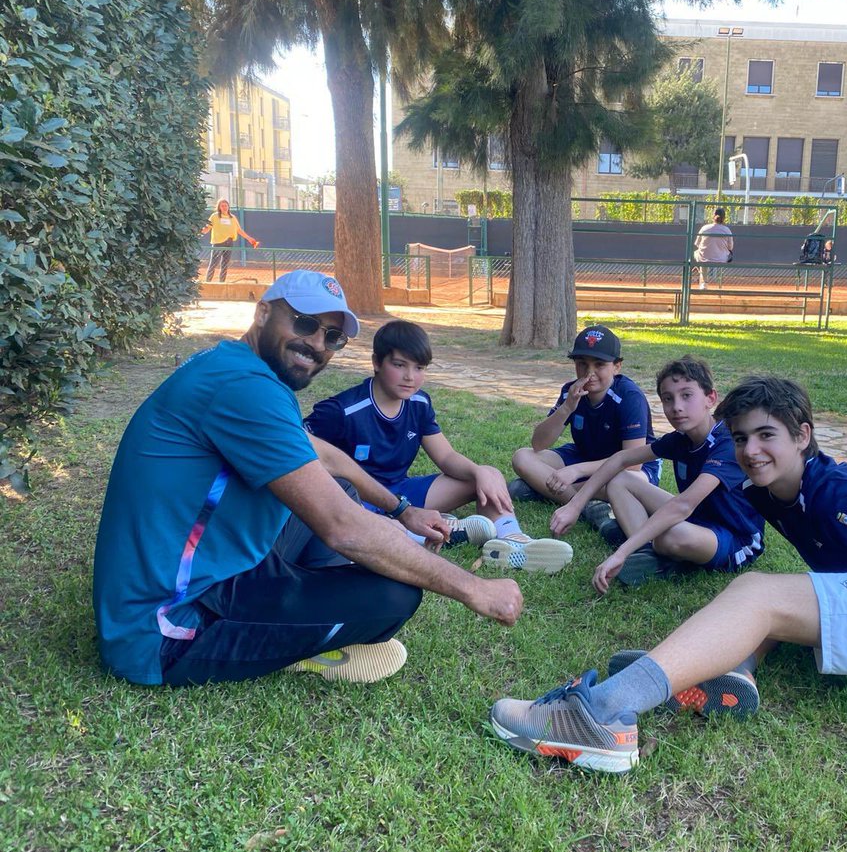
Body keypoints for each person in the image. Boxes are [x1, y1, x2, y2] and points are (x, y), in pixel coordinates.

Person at [489, 375, 847, 775]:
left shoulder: (836, 490)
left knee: (759, 594)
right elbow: (668, 494)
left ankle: (601, 714)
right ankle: (731, 671)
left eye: (767, 435)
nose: (750, 450)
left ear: (803, 436)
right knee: (770, 608)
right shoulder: (769, 489)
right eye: (740, 438)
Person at [93, 269, 522, 688]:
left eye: (331, 337)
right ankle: (296, 642)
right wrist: (474, 588)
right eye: (304, 323)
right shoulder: (248, 390)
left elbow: (323, 455)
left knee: (342, 490)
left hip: (211, 566)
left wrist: (401, 509)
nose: (316, 344)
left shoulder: (235, 368)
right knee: (393, 597)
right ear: (263, 313)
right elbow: (344, 528)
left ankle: (301, 608)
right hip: (165, 629)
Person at [304, 319, 573, 573]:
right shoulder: (340, 411)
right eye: (400, 365)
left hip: (401, 492)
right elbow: (299, 456)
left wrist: (480, 473)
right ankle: (426, 533)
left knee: (485, 476)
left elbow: (445, 457)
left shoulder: (419, 403)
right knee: (360, 525)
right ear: (376, 362)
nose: (410, 376)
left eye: (419, 368)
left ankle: (514, 541)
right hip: (357, 500)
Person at [549, 356, 764, 591]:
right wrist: (575, 505)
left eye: (687, 395)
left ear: (710, 398)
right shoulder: (682, 439)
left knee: (671, 536)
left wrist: (621, 553)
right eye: (668, 399)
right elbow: (620, 459)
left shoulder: (726, 444)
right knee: (621, 480)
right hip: (697, 521)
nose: (677, 407)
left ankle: (654, 550)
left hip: (735, 539)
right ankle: (647, 550)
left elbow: (683, 506)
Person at [509, 325, 660, 537]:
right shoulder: (571, 391)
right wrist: (568, 407)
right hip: (585, 455)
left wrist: (576, 471)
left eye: (599, 365)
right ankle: (587, 507)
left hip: (629, 470)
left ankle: (544, 489)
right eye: (582, 364)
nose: (590, 373)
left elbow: (633, 463)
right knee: (522, 457)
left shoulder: (629, 397)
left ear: (617, 367)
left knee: (617, 483)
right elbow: (538, 444)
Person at [200, 198, 259, 283]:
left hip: (229, 243)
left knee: (224, 264)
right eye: (222, 206)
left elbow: (239, 230)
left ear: (228, 207)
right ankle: (208, 282)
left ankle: (222, 283)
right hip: (218, 243)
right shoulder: (214, 216)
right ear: (219, 207)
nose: (224, 207)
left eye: (226, 205)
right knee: (213, 264)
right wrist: (199, 232)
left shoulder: (232, 218)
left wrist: (249, 238)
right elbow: (207, 228)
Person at [692, 207, 734, 290]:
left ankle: (704, 283)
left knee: (699, 254)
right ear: (724, 218)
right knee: (704, 255)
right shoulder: (727, 230)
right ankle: (717, 282)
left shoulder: (704, 228)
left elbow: (697, 244)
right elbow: (730, 247)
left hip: (705, 258)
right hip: (722, 259)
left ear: (713, 216)